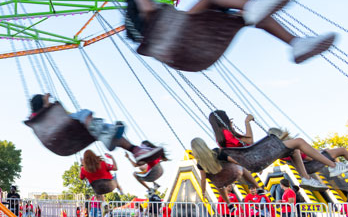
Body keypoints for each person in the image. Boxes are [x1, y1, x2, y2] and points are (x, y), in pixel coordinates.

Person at [124, 0, 336, 64]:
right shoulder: (147, 14)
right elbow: (148, 7)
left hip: (190, 53)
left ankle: (296, 44)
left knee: (249, 16)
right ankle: (252, 7)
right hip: (181, 38)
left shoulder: (155, 33)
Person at [193, 111, 348, 180]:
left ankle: (307, 178)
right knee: (299, 142)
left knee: (294, 149)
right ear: (224, 120)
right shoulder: (228, 134)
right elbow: (250, 141)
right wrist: (246, 123)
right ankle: (333, 166)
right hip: (255, 157)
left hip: (252, 161)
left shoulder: (221, 139)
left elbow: (245, 144)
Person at [29, 93, 163, 162]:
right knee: (84, 113)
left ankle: (135, 150)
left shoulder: (40, 120)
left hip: (69, 135)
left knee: (109, 129)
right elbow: (39, 113)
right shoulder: (40, 118)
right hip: (66, 129)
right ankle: (105, 135)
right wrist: (46, 102)